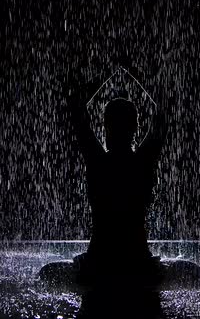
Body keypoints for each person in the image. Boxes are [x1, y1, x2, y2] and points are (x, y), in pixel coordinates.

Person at [66, 61, 168, 287]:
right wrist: (135, 69)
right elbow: (163, 109)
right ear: (135, 128)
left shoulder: (97, 161)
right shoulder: (144, 161)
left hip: (100, 261)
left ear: (105, 127)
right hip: (137, 261)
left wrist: (107, 70)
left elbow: (76, 107)